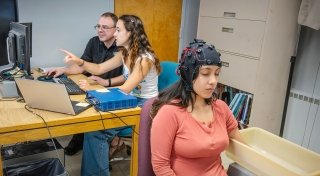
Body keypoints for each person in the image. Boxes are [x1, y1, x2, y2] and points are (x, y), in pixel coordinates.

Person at [61, 14, 161, 176]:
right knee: (93, 126)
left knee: (96, 131)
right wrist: (80, 62)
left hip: (145, 105)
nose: (114, 34)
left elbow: (125, 89)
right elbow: (100, 69)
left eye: (118, 30)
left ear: (130, 33)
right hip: (132, 99)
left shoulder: (144, 59)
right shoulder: (125, 53)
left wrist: (93, 91)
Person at [150, 39, 245, 176]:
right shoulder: (169, 113)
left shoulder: (221, 108)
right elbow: (161, 167)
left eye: (216, 73)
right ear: (188, 75)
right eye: (206, 73)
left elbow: (243, 147)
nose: (213, 81)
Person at [46, 12, 123, 156]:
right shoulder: (94, 42)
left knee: (85, 107)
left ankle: (85, 140)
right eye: (98, 26)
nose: (100, 30)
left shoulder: (122, 48)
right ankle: (86, 139)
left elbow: (127, 77)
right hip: (93, 85)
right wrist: (63, 70)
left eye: (105, 27)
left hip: (112, 89)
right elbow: (82, 66)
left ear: (116, 29)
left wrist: (106, 82)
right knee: (75, 100)